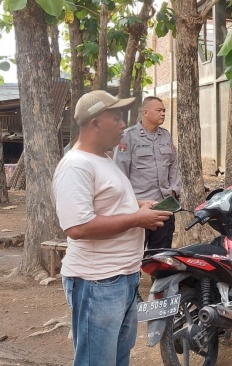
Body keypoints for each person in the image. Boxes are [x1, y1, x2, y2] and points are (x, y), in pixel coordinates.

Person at [52, 90, 172, 366]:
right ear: (94, 123)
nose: (122, 124)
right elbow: (77, 226)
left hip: (123, 278)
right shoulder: (76, 166)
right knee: (97, 361)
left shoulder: (103, 159)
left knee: (118, 357)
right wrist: (136, 219)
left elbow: (106, 203)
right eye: (116, 117)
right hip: (98, 282)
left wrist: (137, 204)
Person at [114, 96, 180, 249]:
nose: (163, 113)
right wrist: (130, 203)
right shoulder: (128, 137)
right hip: (139, 208)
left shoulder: (165, 135)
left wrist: (174, 191)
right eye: (159, 110)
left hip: (164, 205)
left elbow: (173, 166)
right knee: (134, 255)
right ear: (145, 112)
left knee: (161, 256)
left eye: (164, 111)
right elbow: (120, 172)